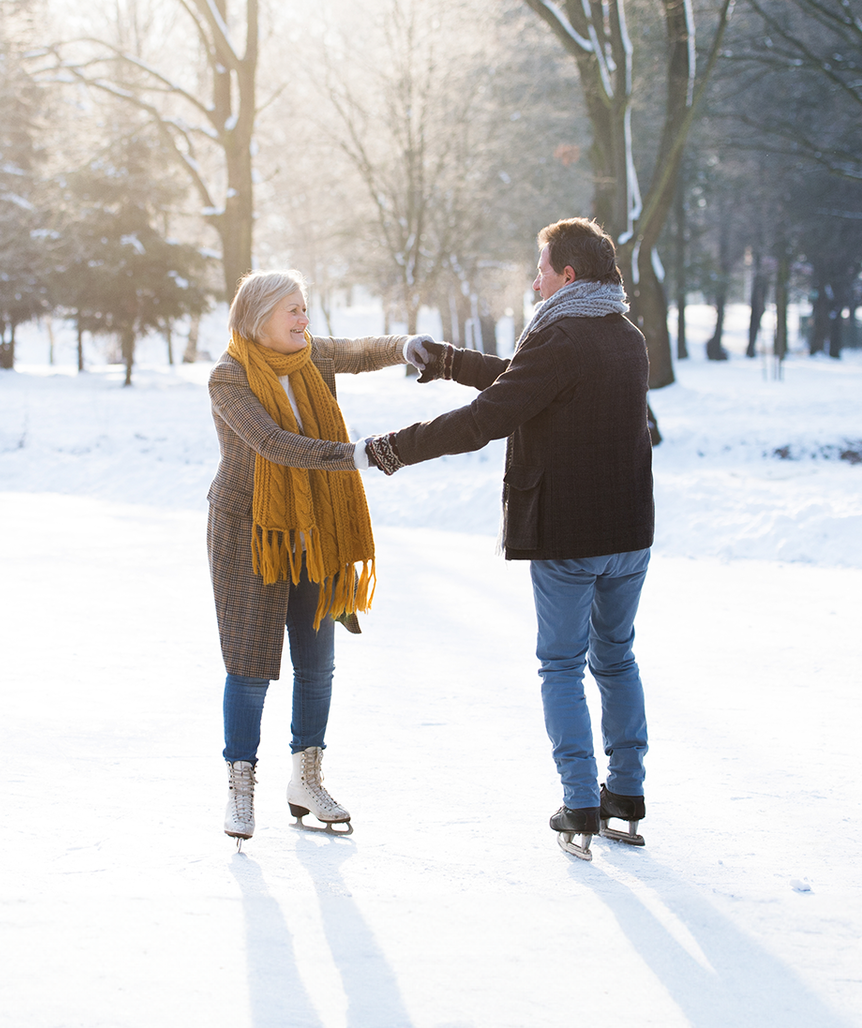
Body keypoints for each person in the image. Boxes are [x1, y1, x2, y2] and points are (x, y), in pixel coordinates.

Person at [358, 218, 655, 860]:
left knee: (561, 665)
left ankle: (579, 800)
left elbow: (491, 417)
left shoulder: (562, 336)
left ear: (567, 276)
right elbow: (530, 383)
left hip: (570, 538)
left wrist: (391, 450)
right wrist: (448, 361)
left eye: (541, 267)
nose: (533, 278)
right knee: (617, 659)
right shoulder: (624, 333)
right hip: (629, 535)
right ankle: (624, 796)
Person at [207, 270, 420, 848]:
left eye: (305, 308)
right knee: (250, 664)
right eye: (291, 310)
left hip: (316, 528)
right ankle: (240, 784)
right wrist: (359, 455)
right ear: (257, 319)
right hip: (252, 531)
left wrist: (404, 346)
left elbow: (358, 350)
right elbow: (276, 444)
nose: (304, 319)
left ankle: (306, 779)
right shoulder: (229, 378)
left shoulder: (310, 358)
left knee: (317, 663)